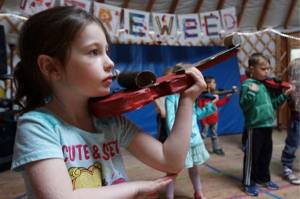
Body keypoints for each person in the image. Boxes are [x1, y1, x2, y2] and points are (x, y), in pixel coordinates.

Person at [11, 6, 208, 199]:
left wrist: (187, 100)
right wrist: (135, 189)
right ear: (51, 67)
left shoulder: (110, 122)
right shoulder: (38, 126)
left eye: (106, 51)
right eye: (93, 52)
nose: (110, 62)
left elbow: (170, 161)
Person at [240, 53, 294, 197]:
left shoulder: (265, 86)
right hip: (254, 127)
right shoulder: (247, 85)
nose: (267, 72)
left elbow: (273, 105)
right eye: (263, 69)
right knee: (252, 156)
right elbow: (244, 105)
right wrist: (251, 92)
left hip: (267, 126)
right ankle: (248, 182)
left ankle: (263, 179)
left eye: (268, 69)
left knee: (265, 155)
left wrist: (284, 95)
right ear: (252, 69)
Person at [164, 65, 217, 199]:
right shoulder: (172, 98)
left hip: (194, 139)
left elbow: (194, 115)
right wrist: (177, 138)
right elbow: (171, 120)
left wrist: (209, 107)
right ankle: (169, 196)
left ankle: (198, 192)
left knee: (194, 168)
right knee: (172, 171)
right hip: (180, 142)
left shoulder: (191, 97)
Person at [198, 76, 236, 156]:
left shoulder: (214, 95)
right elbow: (200, 110)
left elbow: (218, 104)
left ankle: (216, 148)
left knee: (214, 135)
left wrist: (226, 97)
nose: (215, 84)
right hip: (205, 121)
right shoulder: (202, 97)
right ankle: (198, 150)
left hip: (214, 120)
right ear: (208, 84)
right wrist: (203, 121)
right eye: (213, 82)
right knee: (203, 135)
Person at [281, 58, 300, 185]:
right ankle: (287, 167)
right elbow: (293, 102)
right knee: (292, 144)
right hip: (297, 120)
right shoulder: (291, 88)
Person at [154, 67, 173, 143]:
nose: (170, 79)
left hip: (172, 114)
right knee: (163, 136)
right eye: (168, 77)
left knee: (172, 134)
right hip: (163, 115)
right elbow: (155, 97)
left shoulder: (174, 89)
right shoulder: (160, 88)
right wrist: (161, 110)